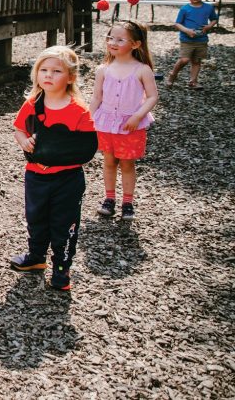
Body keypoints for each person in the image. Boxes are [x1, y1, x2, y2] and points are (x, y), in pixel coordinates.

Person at [9, 46, 95, 291]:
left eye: (56, 71)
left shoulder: (79, 110)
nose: (48, 75)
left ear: (70, 77)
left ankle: (61, 268)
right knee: (35, 218)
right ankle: (36, 257)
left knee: (64, 223)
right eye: (43, 70)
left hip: (67, 178)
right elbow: (19, 129)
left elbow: (87, 147)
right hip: (36, 174)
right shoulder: (33, 104)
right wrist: (24, 141)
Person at [90, 21, 158, 221]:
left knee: (127, 164)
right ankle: (109, 199)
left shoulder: (142, 70)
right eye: (110, 38)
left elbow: (153, 97)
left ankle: (127, 202)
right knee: (109, 161)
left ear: (136, 44)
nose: (113, 42)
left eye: (120, 39)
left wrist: (138, 115)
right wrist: (88, 119)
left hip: (131, 125)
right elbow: (96, 98)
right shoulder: (103, 69)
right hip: (106, 123)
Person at [166, 0, 219, 90]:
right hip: (187, 40)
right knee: (184, 59)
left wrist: (209, 26)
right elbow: (177, 23)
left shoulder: (208, 8)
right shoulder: (185, 9)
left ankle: (193, 81)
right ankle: (173, 74)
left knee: (196, 61)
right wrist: (186, 31)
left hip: (201, 40)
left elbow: (214, 19)